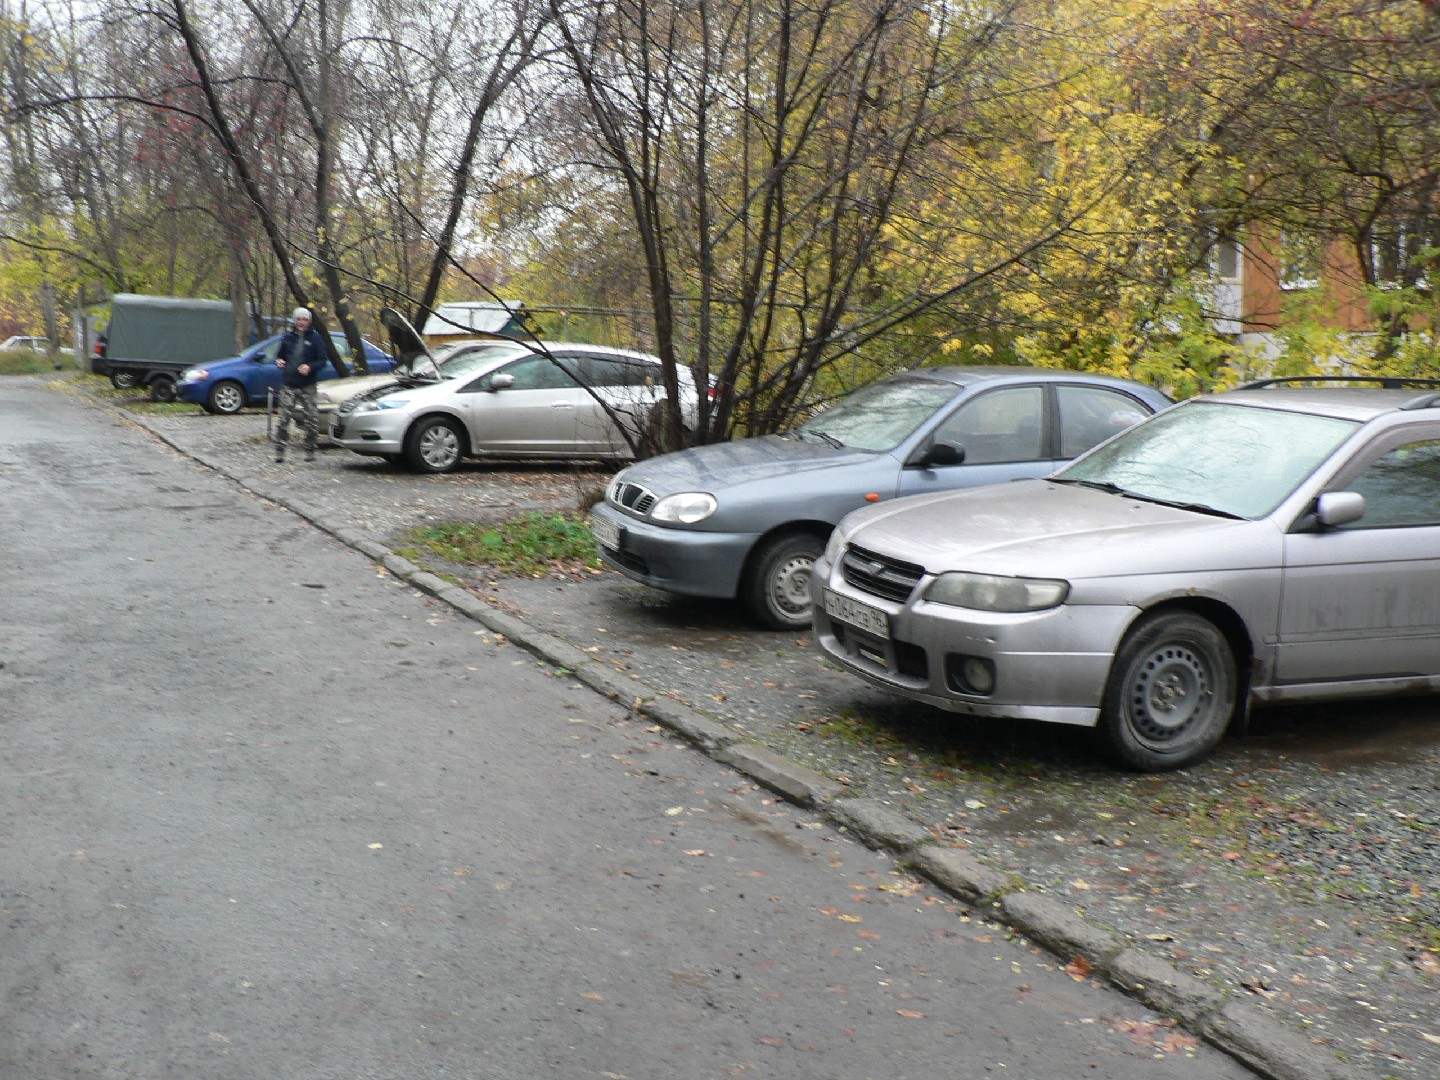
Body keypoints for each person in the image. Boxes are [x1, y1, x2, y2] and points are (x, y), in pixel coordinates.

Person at [273, 307, 332, 463]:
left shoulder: (315, 338)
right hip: (289, 384)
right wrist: (279, 361)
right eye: (299, 319)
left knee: (312, 419)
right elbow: (279, 356)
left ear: (309, 321)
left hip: (308, 385)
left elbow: (322, 361)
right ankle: (280, 451)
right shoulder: (287, 338)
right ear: (295, 320)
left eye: (304, 320)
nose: (301, 322)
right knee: (284, 419)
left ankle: (310, 449)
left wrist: (310, 367)